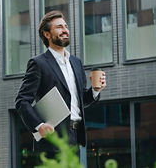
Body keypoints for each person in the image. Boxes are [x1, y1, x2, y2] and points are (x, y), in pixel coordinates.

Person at [15, 10, 106, 155]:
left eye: (65, 26)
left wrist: (95, 90)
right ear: (47, 34)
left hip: (76, 137)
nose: (65, 30)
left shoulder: (76, 63)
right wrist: (39, 126)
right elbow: (22, 101)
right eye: (59, 27)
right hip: (53, 139)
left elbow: (80, 100)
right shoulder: (38, 64)